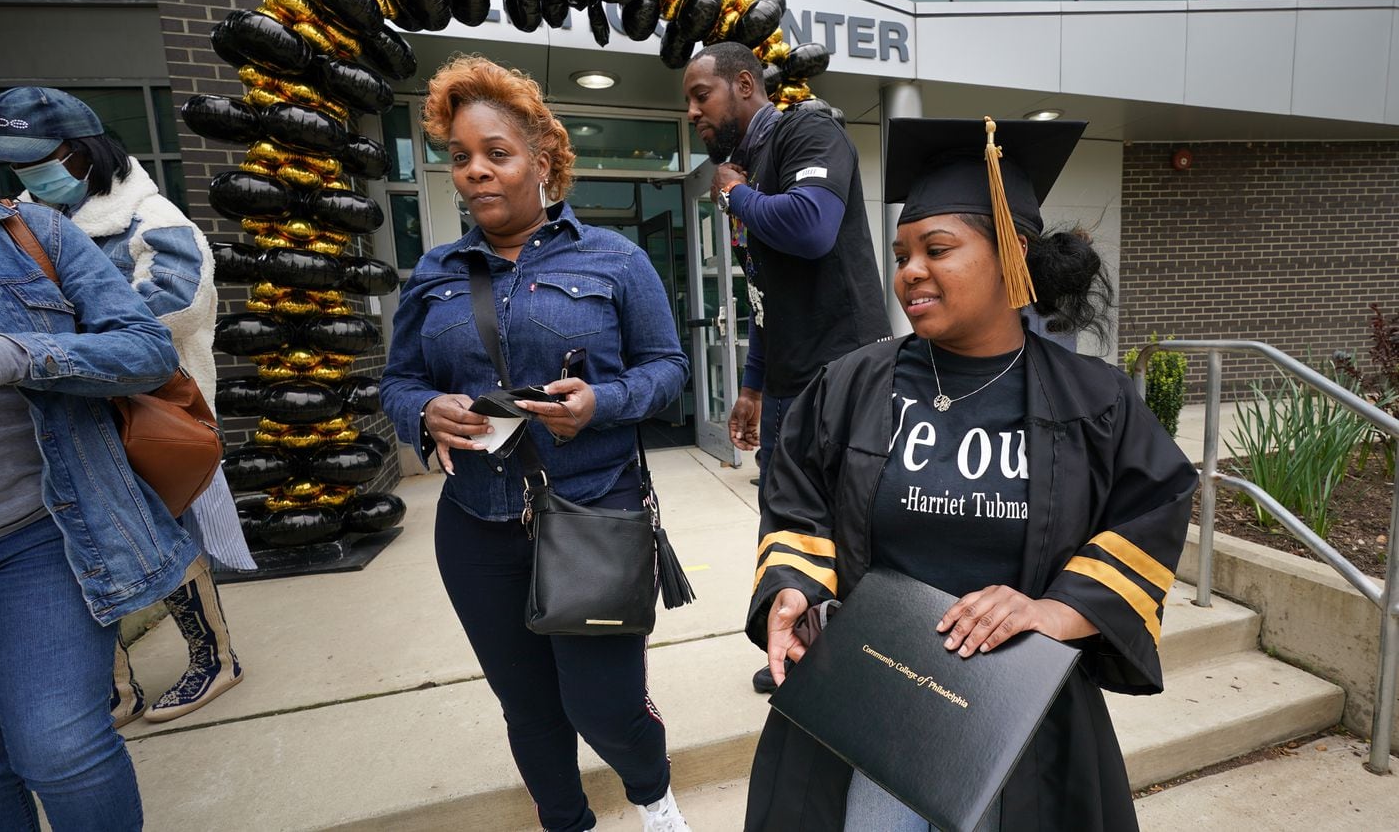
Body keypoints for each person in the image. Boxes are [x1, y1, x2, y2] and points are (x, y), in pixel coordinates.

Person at [743, 117, 1199, 831]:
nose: (910, 270)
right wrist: (792, 591)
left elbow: (1155, 505)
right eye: (901, 253)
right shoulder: (852, 384)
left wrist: (1053, 610)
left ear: (1011, 253)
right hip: (870, 704)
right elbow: (796, 503)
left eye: (937, 248)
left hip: (1013, 717)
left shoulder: (1095, 400)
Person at [380, 55, 692, 832]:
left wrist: (602, 402)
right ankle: (566, 820)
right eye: (460, 157)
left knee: (604, 705)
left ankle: (653, 798)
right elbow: (398, 382)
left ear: (542, 160)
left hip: (592, 511)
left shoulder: (614, 259)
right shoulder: (435, 271)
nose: (476, 171)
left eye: (497, 153)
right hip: (477, 524)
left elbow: (670, 369)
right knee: (527, 705)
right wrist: (426, 411)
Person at [0, 86, 252, 726]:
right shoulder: (21, 226)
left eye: (44, 158)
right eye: (18, 164)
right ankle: (112, 687)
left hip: (145, 417)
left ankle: (214, 658)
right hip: (62, 425)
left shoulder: (152, 218)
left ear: (85, 152)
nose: (31, 175)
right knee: (76, 547)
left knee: (165, 539)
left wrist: (51, 339)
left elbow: (175, 308)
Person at [682, 41, 892, 694]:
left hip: (848, 375)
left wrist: (738, 197)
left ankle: (871, 655)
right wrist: (751, 386)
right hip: (787, 386)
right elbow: (764, 297)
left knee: (853, 521)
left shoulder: (808, 131)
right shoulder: (746, 169)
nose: (692, 112)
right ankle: (799, 649)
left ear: (745, 84)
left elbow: (811, 226)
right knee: (787, 524)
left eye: (700, 95)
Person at [0, 189, 197, 830]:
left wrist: (25, 354)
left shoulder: (32, 233)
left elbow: (154, 341)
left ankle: (212, 656)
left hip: (41, 523)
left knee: (59, 745)